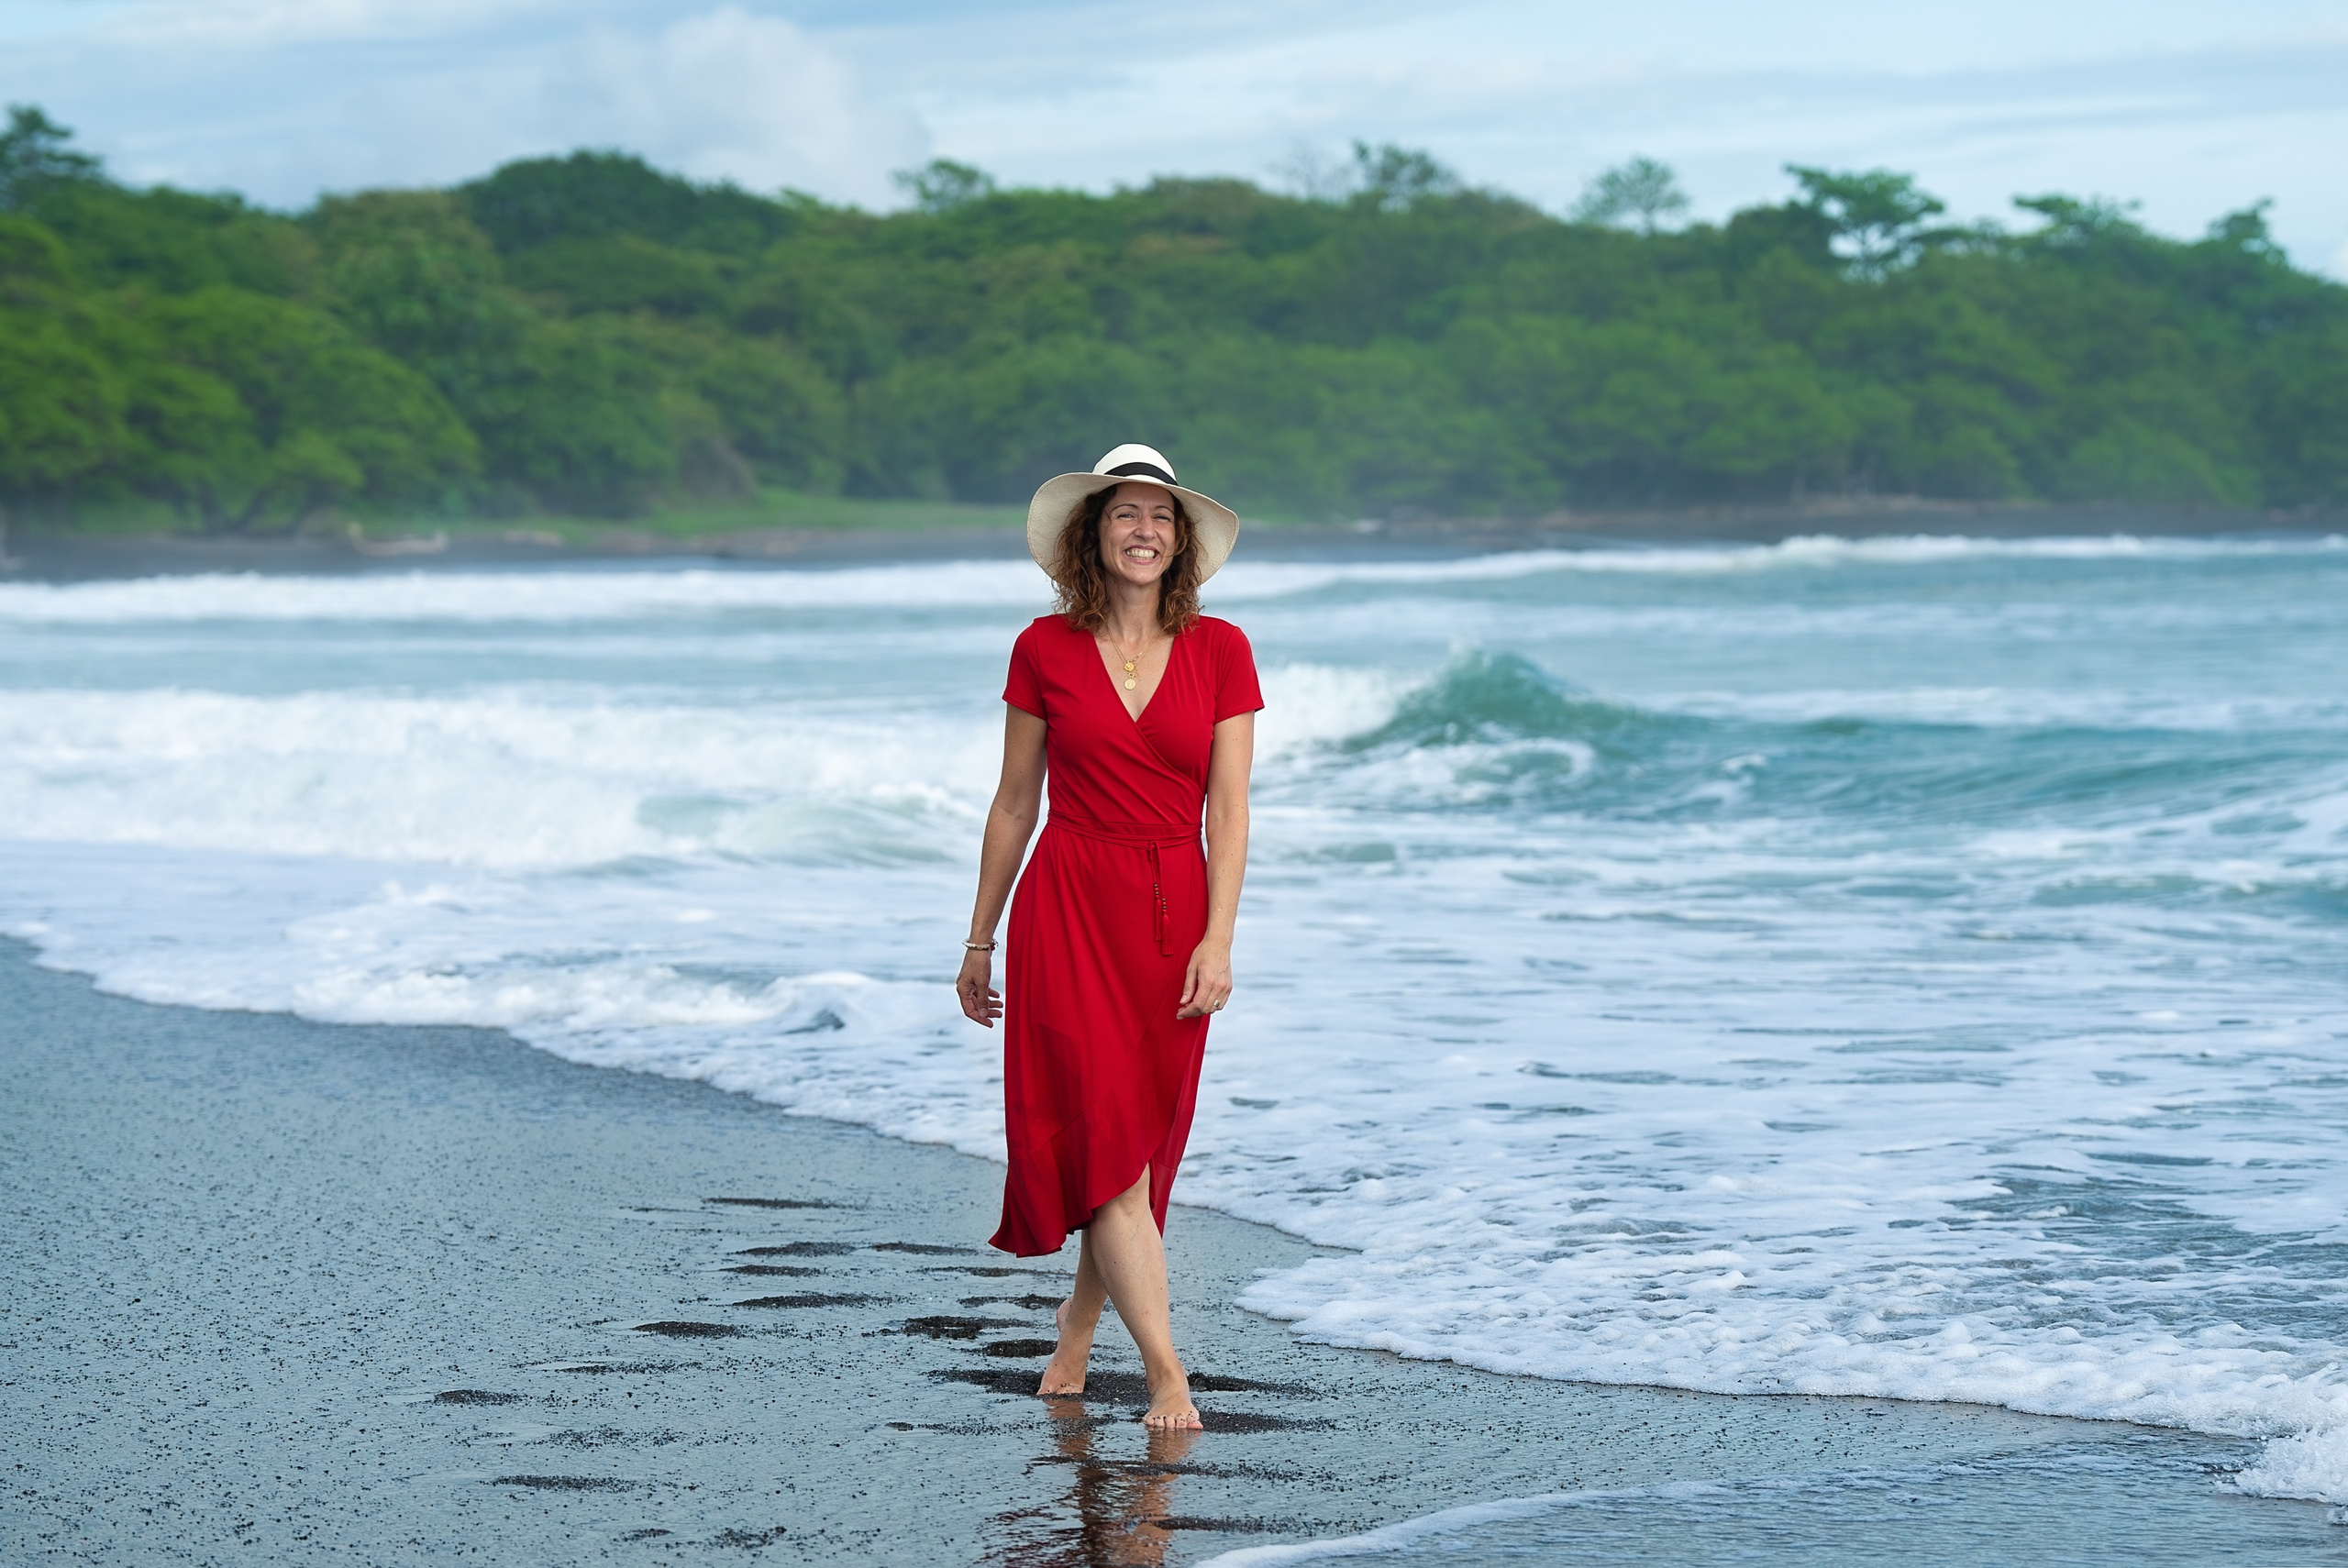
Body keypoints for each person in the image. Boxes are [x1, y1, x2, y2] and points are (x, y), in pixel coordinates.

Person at [957, 443, 1261, 1432]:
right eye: (1124, 514)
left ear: (1181, 543)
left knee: (1134, 1144)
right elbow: (1013, 803)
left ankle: (1079, 1329)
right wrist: (978, 940)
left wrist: (1218, 940)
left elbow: (1230, 814)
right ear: (1094, 535)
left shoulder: (1223, 650)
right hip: (1069, 904)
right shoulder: (1042, 650)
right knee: (1110, 1148)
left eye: (1160, 517)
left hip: (1172, 917)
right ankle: (1170, 1373)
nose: (1143, 531)